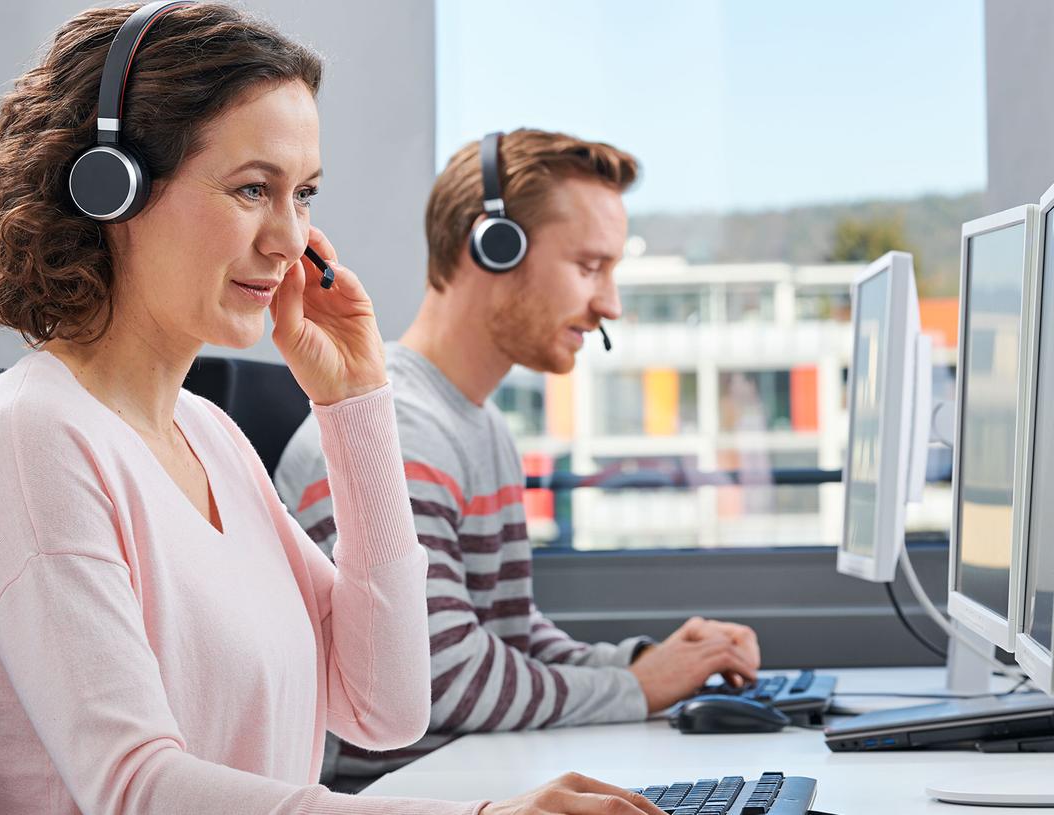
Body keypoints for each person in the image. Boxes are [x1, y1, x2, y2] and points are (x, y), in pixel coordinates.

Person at [0, 4, 662, 813]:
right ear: (112, 188)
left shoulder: (210, 436)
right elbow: (136, 788)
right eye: (252, 189)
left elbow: (385, 706)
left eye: (302, 193)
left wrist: (357, 404)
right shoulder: (35, 439)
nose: (290, 239)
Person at [276, 129, 762, 782]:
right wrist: (640, 689)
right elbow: (448, 674)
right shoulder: (393, 429)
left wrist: (641, 664)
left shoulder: (480, 425)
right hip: (407, 792)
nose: (609, 304)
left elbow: (506, 634)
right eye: (590, 267)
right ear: (492, 246)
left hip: (474, 778)